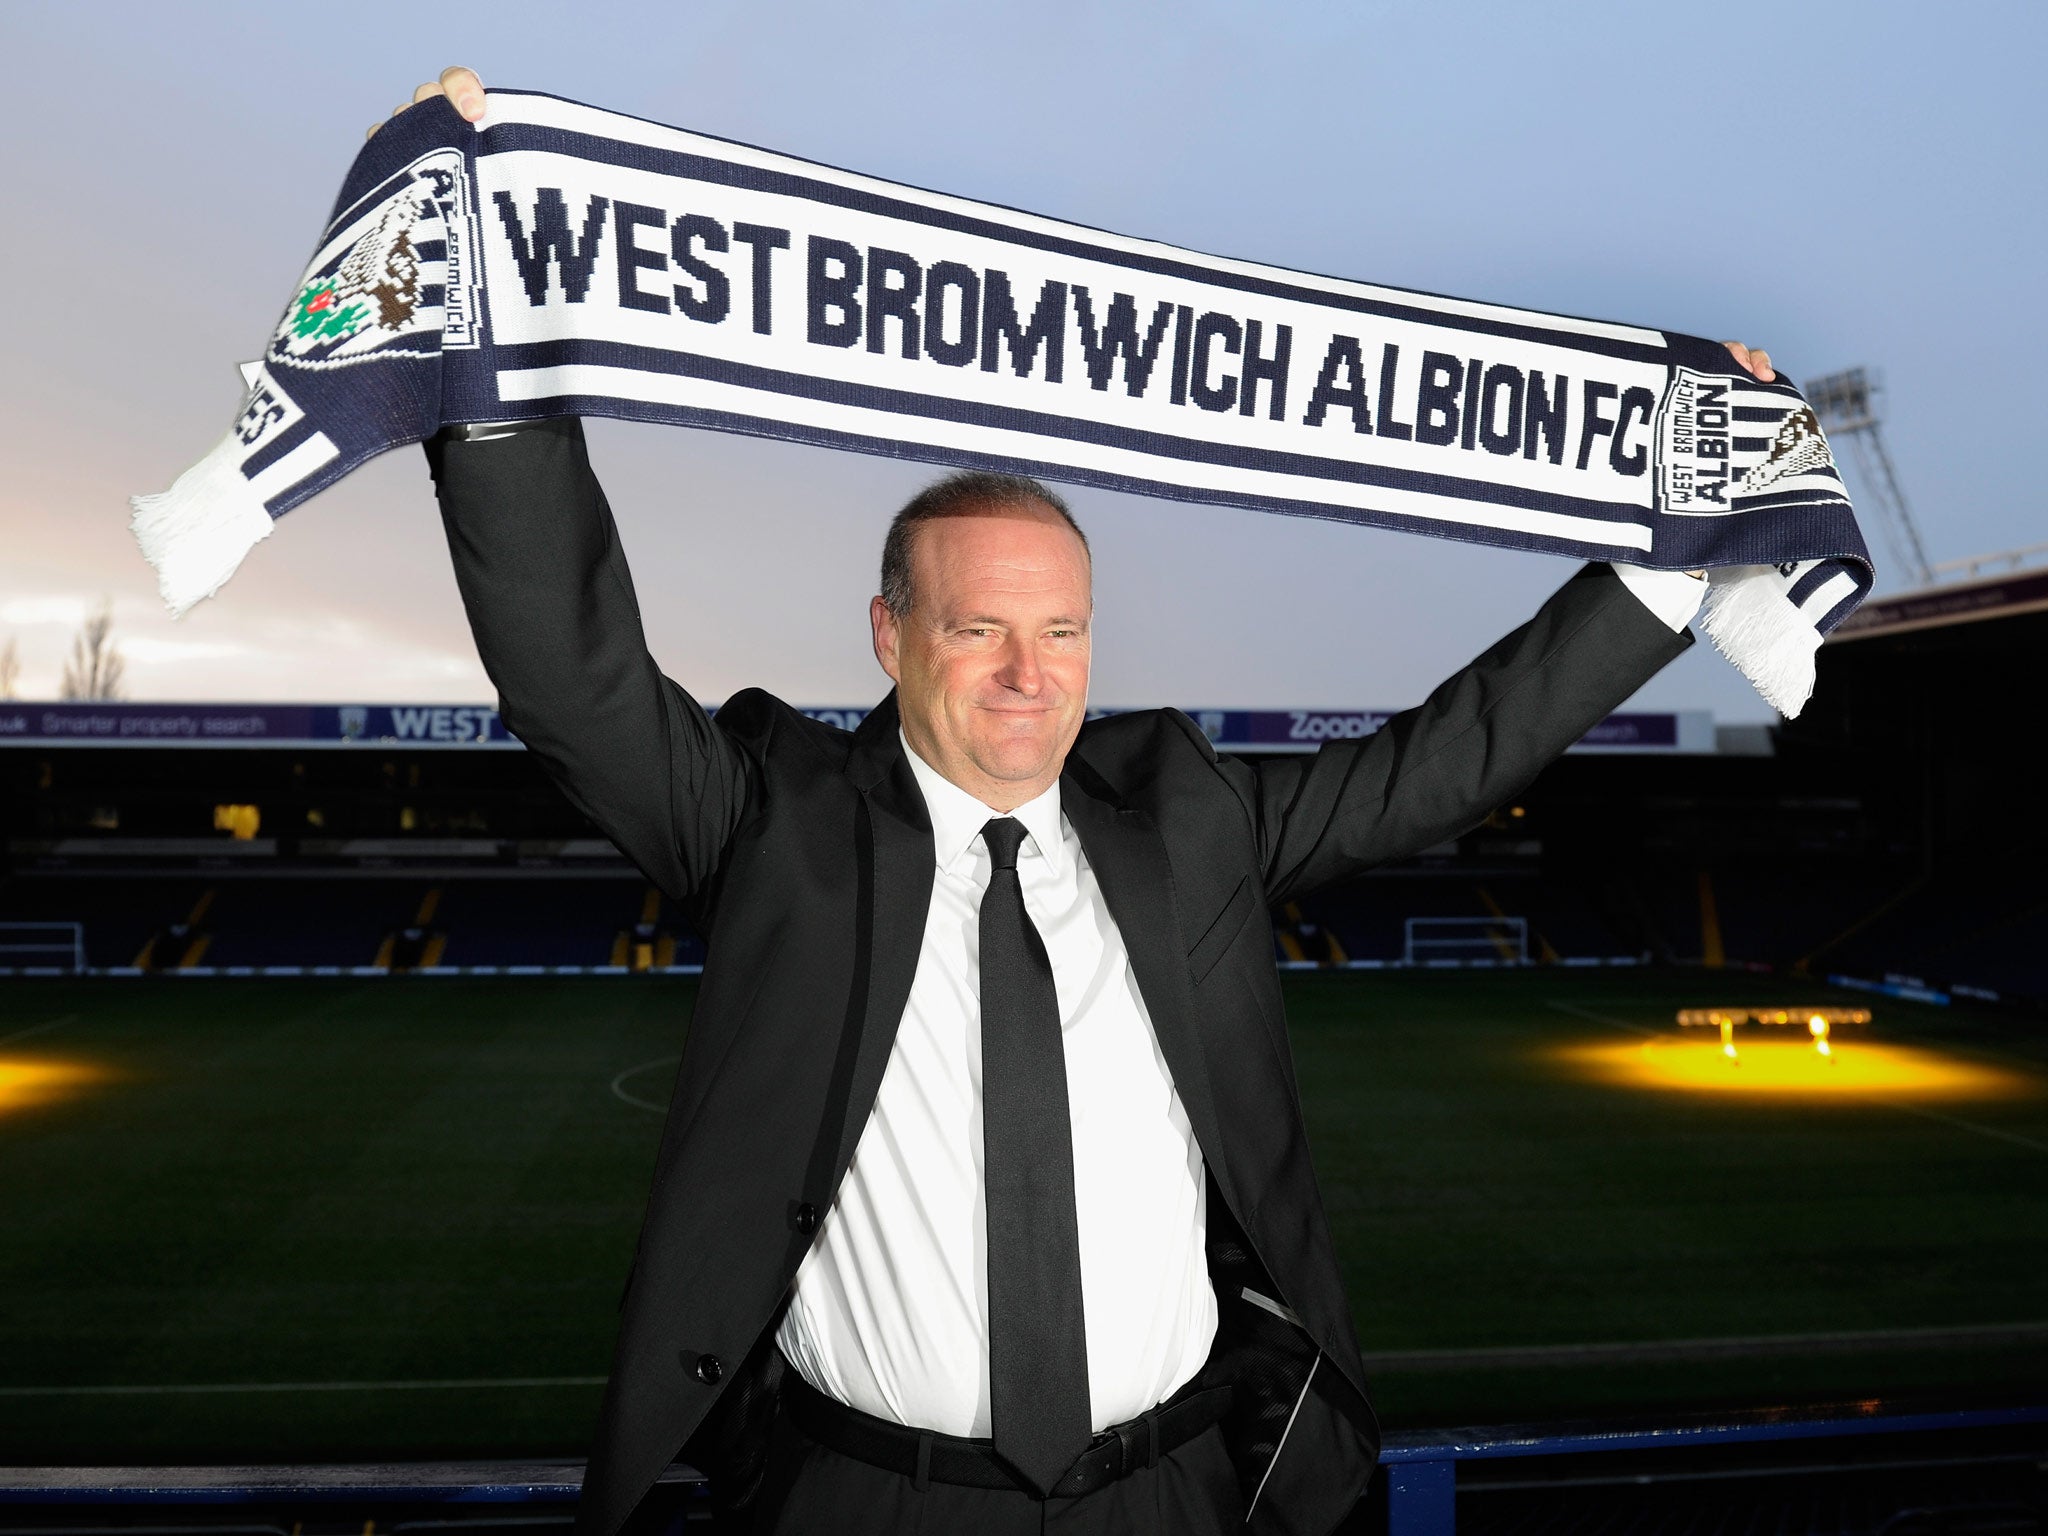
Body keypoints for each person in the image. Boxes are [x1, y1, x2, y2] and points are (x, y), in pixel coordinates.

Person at [390, 66, 1776, 1536]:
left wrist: (1668, 568)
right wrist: (492, 367)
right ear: (890, 637)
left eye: (1060, 631)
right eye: (977, 627)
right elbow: (575, 679)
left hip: (1175, 1495)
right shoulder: (775, 822)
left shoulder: (1184, 822)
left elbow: (1447, 757)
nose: (1025, 673)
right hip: (867, 1502)